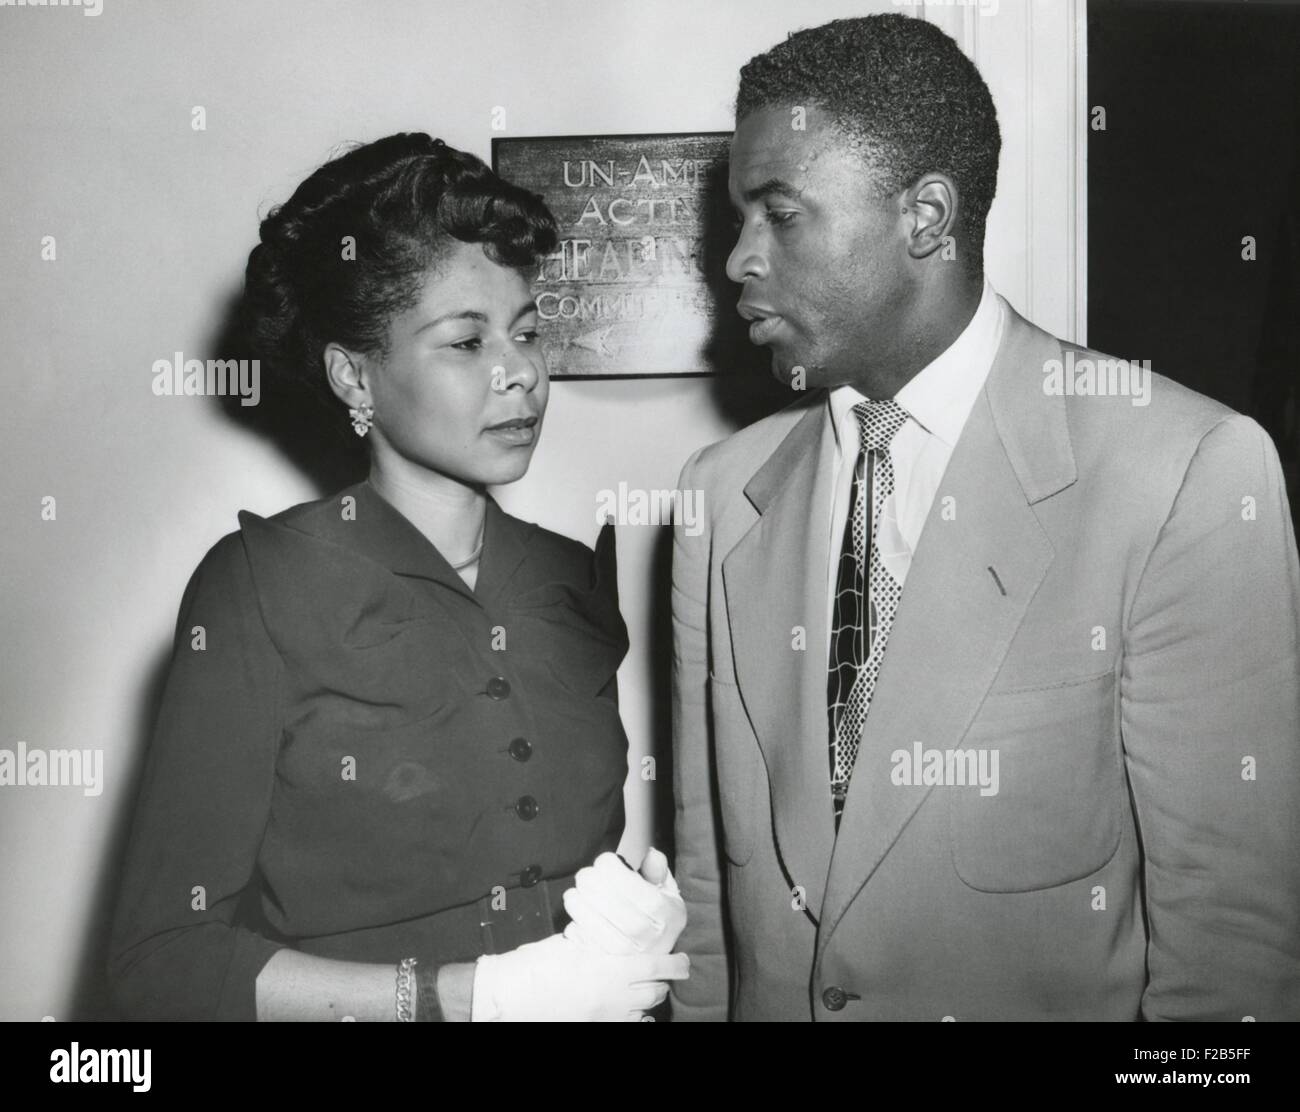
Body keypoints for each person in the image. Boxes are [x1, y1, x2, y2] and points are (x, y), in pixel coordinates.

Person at [669, 15, 1300, 1021]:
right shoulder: (715, 497)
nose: (737, 258)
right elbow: (709, 919)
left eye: (778, 214)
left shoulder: (1182, 473)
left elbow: (1234, 953)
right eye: (740, 217)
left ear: (925, 216)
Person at [108, 133, 687, 1021]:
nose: (521, 373)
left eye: (527, 331)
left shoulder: (569, 575)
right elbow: (162, 962)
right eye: (466, 342)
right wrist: (467, 999)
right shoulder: (257, 586)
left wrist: (631, 929)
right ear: (354, 376)